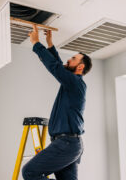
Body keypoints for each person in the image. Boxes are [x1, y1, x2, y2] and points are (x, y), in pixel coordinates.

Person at [22, 25, 92, 180]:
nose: (69, 59)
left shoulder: (75, 82)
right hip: (69, 144)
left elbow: (55, 67)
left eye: (73, 58)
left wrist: (36, 44)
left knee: (29, 172)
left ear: (80, 67)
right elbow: (60, 66)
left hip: (66, 143)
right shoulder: (73, 83)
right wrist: (50, 44)